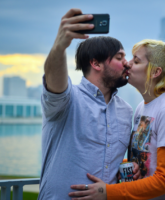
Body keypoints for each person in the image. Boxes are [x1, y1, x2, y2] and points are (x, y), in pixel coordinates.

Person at [69, 39, 165, 200]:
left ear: (155, 72)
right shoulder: (142, 107)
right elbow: (149, 158)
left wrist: (107, 192)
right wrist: (130, 165)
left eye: (136, 61)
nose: (127, 64)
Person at [38, 8, 140, 200]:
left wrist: (129, 166)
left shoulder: (126, 111)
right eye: (119, 57)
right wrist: (60, 46)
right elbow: (54, 79)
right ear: (96, 63)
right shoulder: (68, 99)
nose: (127, 63)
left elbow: (109, 157)